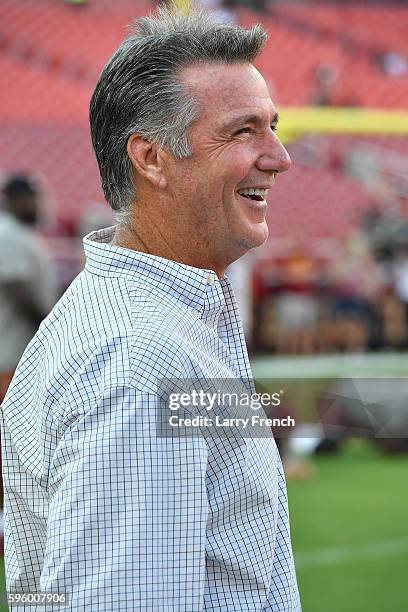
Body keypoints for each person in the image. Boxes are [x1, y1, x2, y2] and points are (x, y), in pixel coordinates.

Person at [1, 6, 300, 611]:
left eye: (271, 126)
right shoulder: (138, 359)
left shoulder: (160, 323)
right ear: (152, 159)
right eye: (243, 131)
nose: (279, 156)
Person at [0, 174, 56, 401]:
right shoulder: (7, 233)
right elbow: (18, 289)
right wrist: (51, 326)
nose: (35, 204)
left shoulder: (23, 233)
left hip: (21, 351)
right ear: (14, 200)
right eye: (29, 198)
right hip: (11, 350)